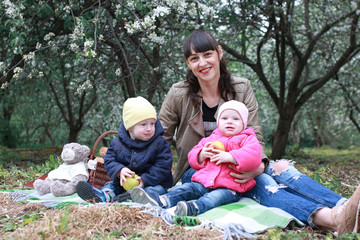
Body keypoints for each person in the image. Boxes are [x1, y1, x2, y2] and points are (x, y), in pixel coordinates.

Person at [157, 30, 360, 236]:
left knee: (281, 168)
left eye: (207, 54)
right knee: (265, 185)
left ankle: (349, 207)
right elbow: (159, 139)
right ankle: (333, 219)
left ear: (219, 53)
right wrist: (152, 180)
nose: (202, 63)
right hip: (200, 170)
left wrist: (259, 166)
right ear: (188, 63)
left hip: (242, 160)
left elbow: (255, 135)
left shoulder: (241, 88)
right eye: (194, 58)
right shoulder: (178, 93)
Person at [131, 100, 262, 216]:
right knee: (187, 188)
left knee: (213, 198)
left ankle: (194, 208)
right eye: (225, 118)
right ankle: (163, 200)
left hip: (229, 187)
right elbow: (192, 155)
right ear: (218, 122)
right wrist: (201, 154)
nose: (229, 122)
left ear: (244, 123)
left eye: (235, 119)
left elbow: (254, 157)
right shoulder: (211, 138)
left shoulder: (247, 138)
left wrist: (231, 157)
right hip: (204, 182)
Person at [76, 96, 173, 203]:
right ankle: (105, 195)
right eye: (143, 124)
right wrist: (119, 170)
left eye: (152, 123)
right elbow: (109, 160)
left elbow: (163, 165)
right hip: (124, 183)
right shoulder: (117, 143)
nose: (149, 128)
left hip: (154, 183)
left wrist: (145, 180)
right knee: (112, 184)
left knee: (155, 190)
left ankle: (136, 197)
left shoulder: (160, 143)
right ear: (130, 127)